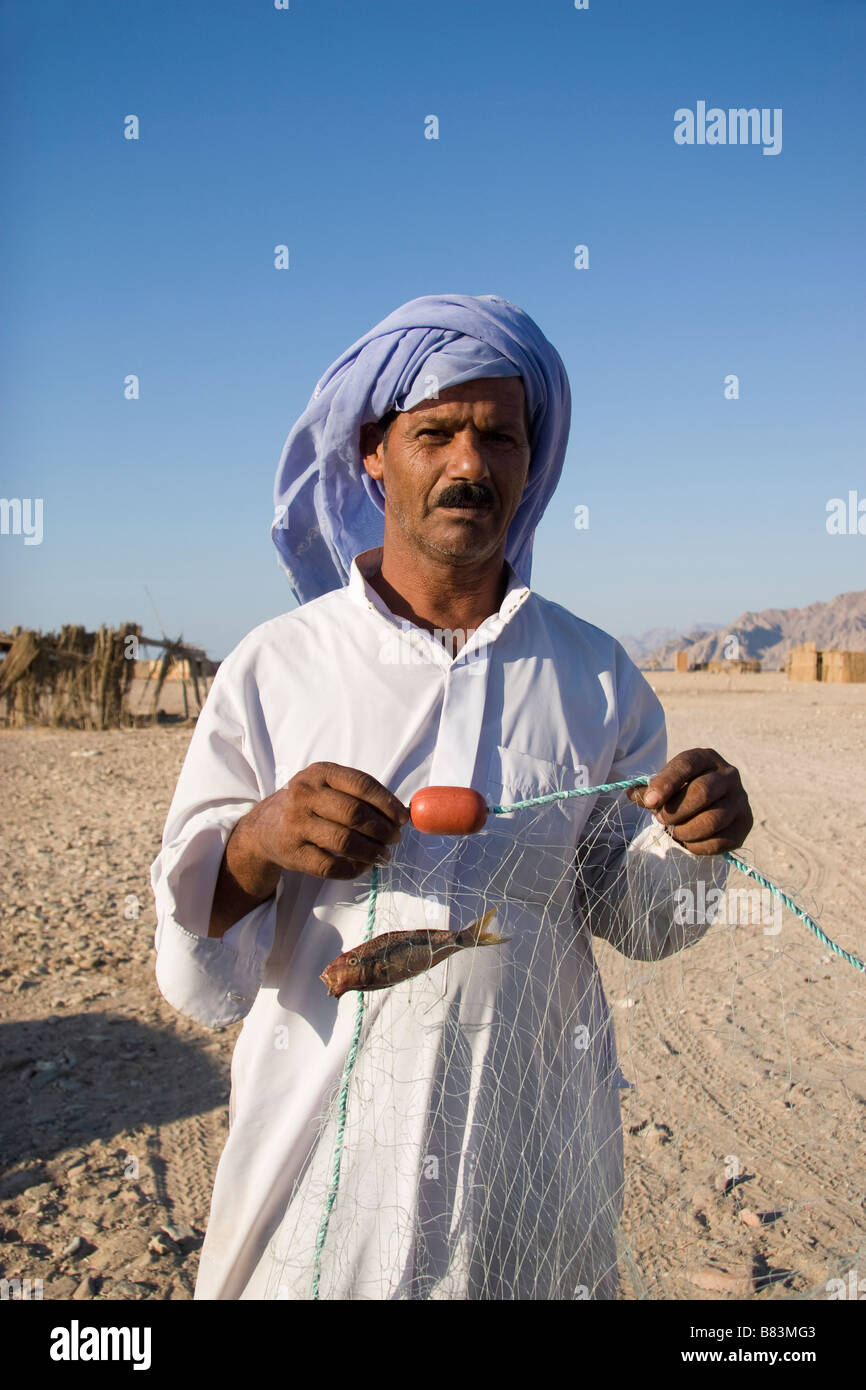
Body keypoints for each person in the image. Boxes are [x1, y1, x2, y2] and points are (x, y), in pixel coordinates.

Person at [151, 293, 752, 1300]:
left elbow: (641, 920)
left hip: (527, 1189)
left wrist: (695, 843)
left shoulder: (594, 676)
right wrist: (258, 841)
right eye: (434, 432)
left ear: (529, 460)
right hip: (318, 1206)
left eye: (498, 438)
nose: (469, 466)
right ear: (373, 454)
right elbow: (193, 971)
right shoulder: (277, 668)